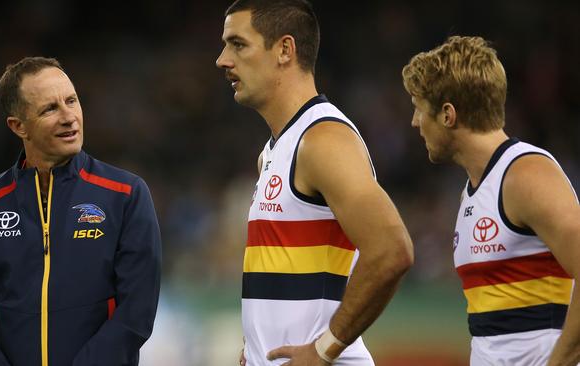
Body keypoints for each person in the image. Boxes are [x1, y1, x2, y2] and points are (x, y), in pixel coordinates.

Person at [216, 1, 414, 365]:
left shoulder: (322, 140)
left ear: (285, 50)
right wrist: (256, 349)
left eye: (238, 44)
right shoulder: (275, 151)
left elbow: (392, 250)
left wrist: (325, 350)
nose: (222, 59)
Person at [0, 57, 162, 366]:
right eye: (50, 109)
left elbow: (136, 313)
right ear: (18, 126)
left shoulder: (126, 195)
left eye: (71, 101)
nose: (68, 116)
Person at [402, 36, 580, 365]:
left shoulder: (527, 176)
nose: (415, 122)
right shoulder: (474, 188)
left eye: (418, 108)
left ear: (447, 115)